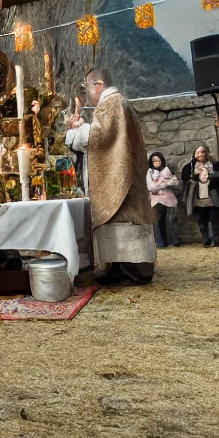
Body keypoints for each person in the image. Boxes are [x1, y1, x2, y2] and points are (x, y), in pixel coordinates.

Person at [65, 69, 155, 286]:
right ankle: (118, 265)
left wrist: (76, 131)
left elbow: (99, 136)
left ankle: (131, 267)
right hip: (126, 173)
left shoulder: (112, 102)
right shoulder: (118, 103)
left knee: (122, 216)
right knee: (121, 219)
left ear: (99, 84)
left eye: (88, 90)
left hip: (121, 179)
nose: (87, 98)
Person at [178, 145, 219, 247]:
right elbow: (186, 179)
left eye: (202, 152)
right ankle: (206, 239)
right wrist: (195, 176)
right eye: (198, 152)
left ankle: (216, 240)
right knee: (202, 219)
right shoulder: (191, 167)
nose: (200, 154)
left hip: (212, 196)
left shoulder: (213, 164)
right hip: (198, 197)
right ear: (194, 154)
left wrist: (211, 176)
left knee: (214, 218)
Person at [146, 152, 181, 248]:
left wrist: (166, 184)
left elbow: (173, 182)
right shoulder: (150, 173)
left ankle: (175, 239)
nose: (157, 163)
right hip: (156, 199)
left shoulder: (166, 170)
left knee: (171, 219)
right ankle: (161, 241)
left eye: (158, 161)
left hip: (168, 198)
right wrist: (160, 186)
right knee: (158, 220)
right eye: (154, 161)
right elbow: (151, 187)